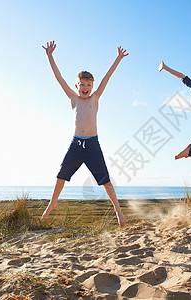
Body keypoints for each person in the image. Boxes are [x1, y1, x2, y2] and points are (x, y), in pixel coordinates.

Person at [41, 41, 128, 227]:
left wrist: (118, 58)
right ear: (77, 85)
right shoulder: (73, 98)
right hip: (76, 144)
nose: (86, 87)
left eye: (89, 84)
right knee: (61, 174)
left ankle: (118, 211)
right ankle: (52, 202)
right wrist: (50, 56)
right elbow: (59, 78)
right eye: (82, 84)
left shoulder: (95, 98)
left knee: (105, 179)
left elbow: (107, 77)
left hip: (92, 145)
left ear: (92, 86)